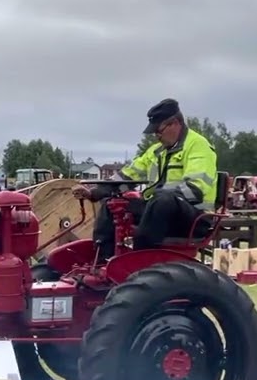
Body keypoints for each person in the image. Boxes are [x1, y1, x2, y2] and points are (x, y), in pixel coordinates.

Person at [72, 98, 218, 260]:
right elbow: (128, 176)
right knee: (112, 205)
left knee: (162, 199)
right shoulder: (156, 151)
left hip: (194, 217)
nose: (157, 136)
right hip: (159, 211)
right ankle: (102, 260)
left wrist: (161, 196)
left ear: (175, 123)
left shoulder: (198, 146)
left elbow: (195, 190)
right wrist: (94, 193)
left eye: (159, 131)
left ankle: (140, 259)